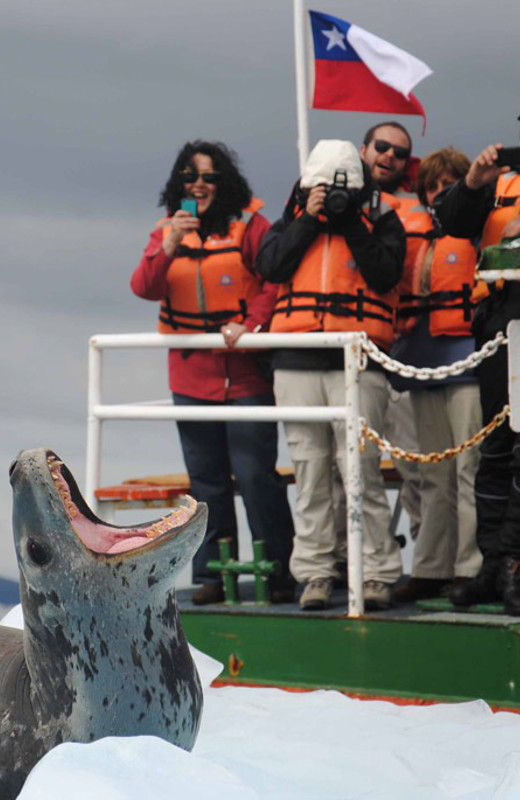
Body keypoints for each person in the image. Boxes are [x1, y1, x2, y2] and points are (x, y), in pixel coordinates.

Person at [130, 140, 295, 606]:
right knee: (205, 483)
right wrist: (167, 246)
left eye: (208, 177)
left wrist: (250, 324)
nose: (198, 185)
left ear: (225, 183)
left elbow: (274, 281)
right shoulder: (167, 230)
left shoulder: (251, 226)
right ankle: (212, 575)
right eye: (189, 177)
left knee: (256, 474)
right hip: (191, 376)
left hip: (245, 374)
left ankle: (279, 570)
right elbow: (144, 287)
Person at [257, 139, 405, 611]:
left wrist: (350, 224)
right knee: (310, 473)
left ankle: (379, 573)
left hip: (356, 363)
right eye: (321, 187)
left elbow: (384, 275)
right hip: (297, 362)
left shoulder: (380, 220)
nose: (332, 194)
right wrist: (310, 218)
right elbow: (270, 266)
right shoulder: (293, 220)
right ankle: (316, 574)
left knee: (361, 473)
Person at [389, 147, 483, 603]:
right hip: (423, 362)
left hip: (468, 361)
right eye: (432, 185)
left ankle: (471, 565)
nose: (439, 191)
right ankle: (430, 567)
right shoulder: (411, 233)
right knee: (432, 472)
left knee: (470, 468)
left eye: (448, 182)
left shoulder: (480, 229)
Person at [435, 141, 520, 614]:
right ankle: (494, 564)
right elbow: (450, 223)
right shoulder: (497, 180)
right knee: (496, 447)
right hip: (500, 321)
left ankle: (515, 565)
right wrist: (472, 183)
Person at [359, 121, 425, 546]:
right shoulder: (332, 208)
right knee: (348, 467)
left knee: (419, 468)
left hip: (420, 355)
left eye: (399, 152)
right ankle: (353, 563)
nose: (389, 156)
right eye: (381, 147)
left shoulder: (419, 211)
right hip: (367, 353)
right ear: (363, 149)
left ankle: (428, 563)